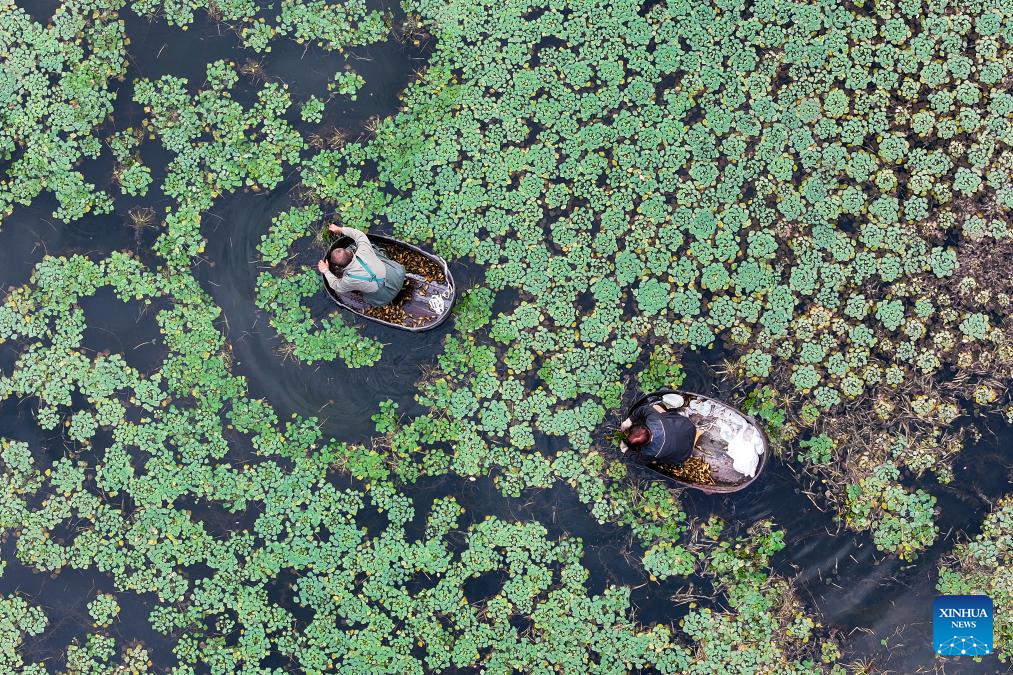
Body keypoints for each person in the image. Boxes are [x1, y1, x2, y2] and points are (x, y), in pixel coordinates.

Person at [316, 224, 406, 307]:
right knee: (374, 251)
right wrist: (340, 229)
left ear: (340, 267)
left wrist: (325, 270)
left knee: (367, 295)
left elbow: (336, 285)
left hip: (385, 298)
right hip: (398, 275)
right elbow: (359, 235)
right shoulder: (364, 250)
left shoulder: (348, 280)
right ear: (351, 253)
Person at [620, 396, 700, 466]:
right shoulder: (654, 420)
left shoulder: (650, 452)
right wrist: (630, 419)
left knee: (653, 461)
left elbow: (640, 459)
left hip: (684, 454)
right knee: (655, 407)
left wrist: (626, 450)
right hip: (688, 427)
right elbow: (644, 409)